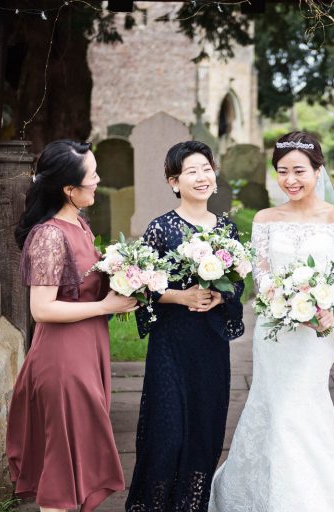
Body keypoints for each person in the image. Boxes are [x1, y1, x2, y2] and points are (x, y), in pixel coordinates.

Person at [209, 131, 334, 512]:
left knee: (301, 405)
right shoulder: (267, 218)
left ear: (319, 171)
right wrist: (285, 302)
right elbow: (263, 274)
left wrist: (318, 305)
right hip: (276, 329)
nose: (291, 180)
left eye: (299, 170)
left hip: (317, 330)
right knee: (275, 404)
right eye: (282, 171)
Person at [7, 139, 137, 512]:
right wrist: (105, 305)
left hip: (86, 350)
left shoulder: (78, 222)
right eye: (92, 176)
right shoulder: (49, 235)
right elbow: (42, 309)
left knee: (78, 460)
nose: (98, 181)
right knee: (63, 473)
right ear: (69, 188)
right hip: (63, 362)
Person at [126, 141, 245, 511]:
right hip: (171, 345)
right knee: (167, 432)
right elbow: (140, 284)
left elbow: (239, 282)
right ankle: (153, 503)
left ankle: (192, 504)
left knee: (205, 430)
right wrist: (181, 297)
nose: (201, 177)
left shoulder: (227, 230)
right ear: (174, 182)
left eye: (206, 169)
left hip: (210, 346)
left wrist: (220, 297)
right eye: (191, 171)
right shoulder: (161, 229)